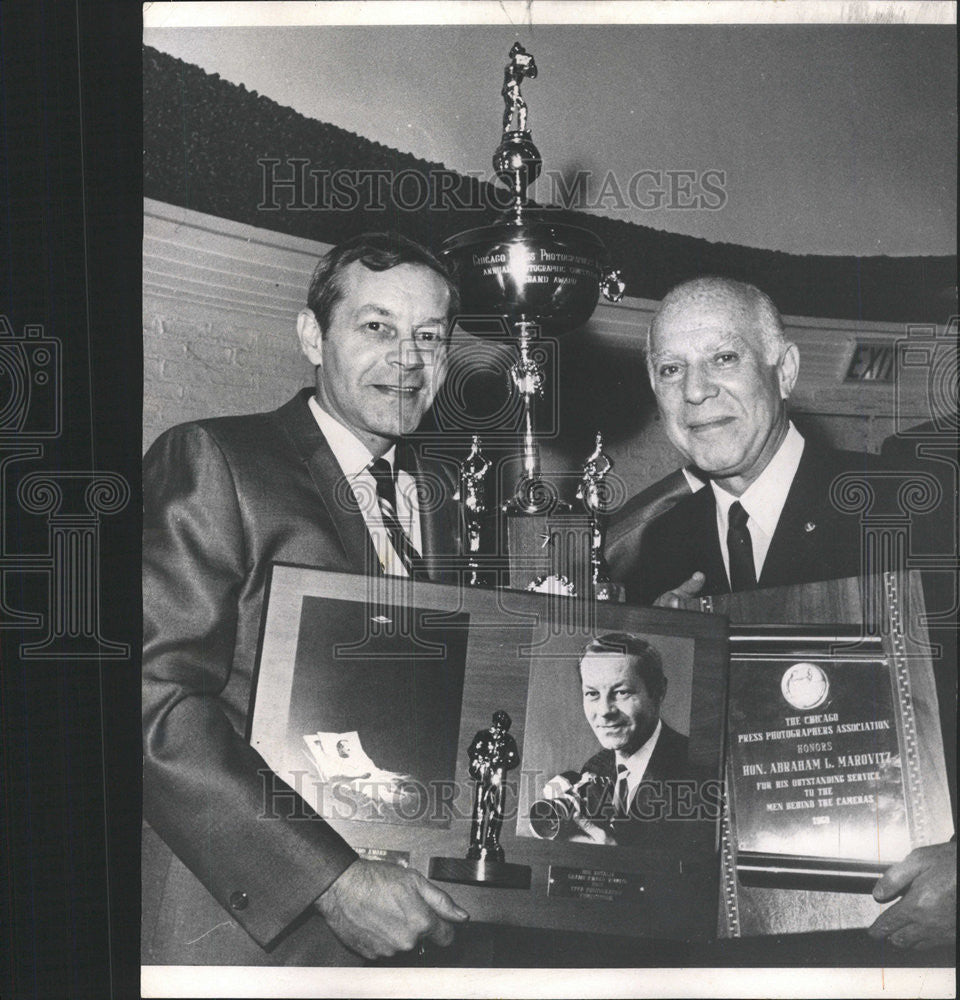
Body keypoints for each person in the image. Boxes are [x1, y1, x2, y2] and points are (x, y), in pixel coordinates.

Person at [142, 232, 470, 966]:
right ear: (312, 337)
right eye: (377, 327)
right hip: (243, 930)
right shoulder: (216, 461)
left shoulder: (444, 505)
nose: (408, 359)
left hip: (411, 922)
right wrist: (333, 880)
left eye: (429, 336)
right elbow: (148, 698)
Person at [607, 275, 955, 951]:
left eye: (723, 359)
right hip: (728, 948)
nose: (696, 391)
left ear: (785, 369)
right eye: (671, 369)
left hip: (910, 939)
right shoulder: (651, 552)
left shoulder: (913, 503)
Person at [534, 633, 688, 846]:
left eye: (622, 692)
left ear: (658, 691)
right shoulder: (596, 766)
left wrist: (613, 858)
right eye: (592, 694)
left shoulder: (695, 768)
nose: (604, 711)